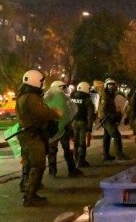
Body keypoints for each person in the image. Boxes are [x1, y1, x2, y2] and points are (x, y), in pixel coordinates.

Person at [15, 70, 60, 207]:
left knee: (30, 164)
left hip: (28, 134)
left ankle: (29, 191)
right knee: (38, 164)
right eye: (41, 82)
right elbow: (41, 113)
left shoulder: (25, 96)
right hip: (32, 135)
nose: (42, 85)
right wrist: (55, 113)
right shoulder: (31, 98)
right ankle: (30, 196)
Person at [44, 81, 83, 178]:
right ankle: (72, 170)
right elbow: (71, 111)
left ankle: (52, 172)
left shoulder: (46, 97)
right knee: (67, 150)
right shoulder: (63, 98)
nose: (63, 90)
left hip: (51, 128)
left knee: (52, 150)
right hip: (63, 128)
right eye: (62, 87)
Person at [97, 78, 129, 162]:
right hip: (107, 119)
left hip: (109, 118)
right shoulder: (105, 95)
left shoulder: (110, 95)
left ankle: (106, 155)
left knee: (107, 137)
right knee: (116, 135)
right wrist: (110, 115)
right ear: (106, 86)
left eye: (113, 85)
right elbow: (103, 109)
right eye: (110, 85)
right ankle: (119, 155)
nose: (112, 87)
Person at [70, 81, 95, 167]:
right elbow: (90, 114)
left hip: (73, 122)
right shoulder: (87, 100)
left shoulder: (72, 97)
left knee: (75, 141)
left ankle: (75, 158)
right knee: (82, 142)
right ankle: (81, 161)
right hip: (82, 122)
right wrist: (89, 127)